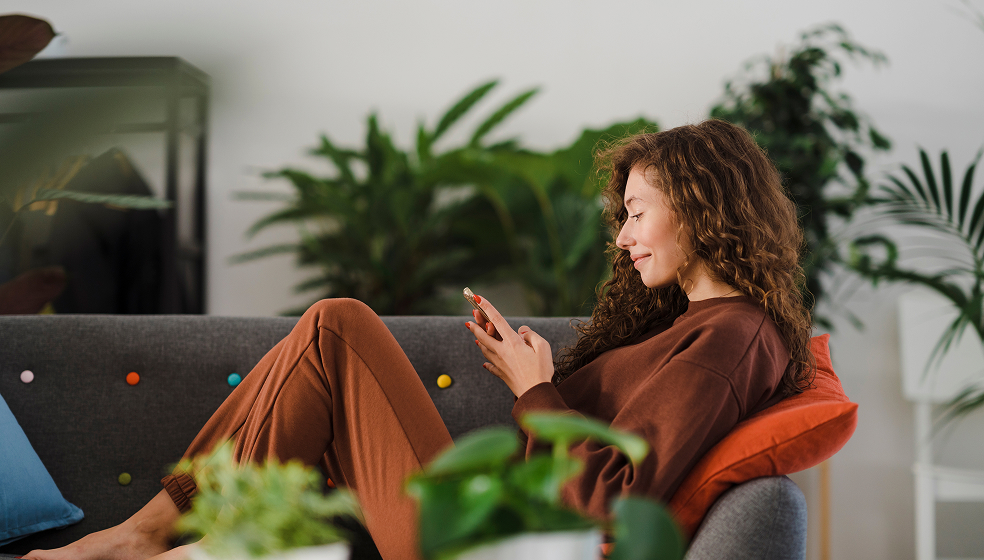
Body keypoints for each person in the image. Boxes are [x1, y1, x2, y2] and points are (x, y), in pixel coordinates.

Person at [25, 119, 813, 560]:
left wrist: (534, 389)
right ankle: (172, 544)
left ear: (701, 205)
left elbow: (605, 506)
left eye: (638, 211)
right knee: (329, 363)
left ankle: (144, 536)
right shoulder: (704, 327)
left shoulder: (729, 339)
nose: (624, 237)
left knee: (339, 325)